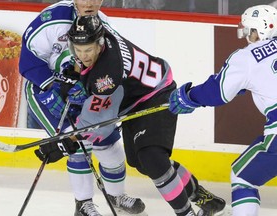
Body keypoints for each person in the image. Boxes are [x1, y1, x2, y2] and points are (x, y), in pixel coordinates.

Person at [36, 15, 226, 216]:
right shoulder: (102, 36)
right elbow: (87, 66)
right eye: (79, 50)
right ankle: (202, 197)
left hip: (155, 94)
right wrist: (79, 76)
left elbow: (99, 124)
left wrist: (66, 143)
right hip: (134, 100)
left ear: (99, 44)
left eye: (88, 50)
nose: (83, 56)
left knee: (152, 158)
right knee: (142, 163)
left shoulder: (106, 75)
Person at [18, 0, 145, 215]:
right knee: (75, 145)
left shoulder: (104, 25)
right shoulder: (53, 19)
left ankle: (116, 196)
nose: (89, 3)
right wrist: (53, 85)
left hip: (83, 95)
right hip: (45, 92)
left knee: (110, 149)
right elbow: (27, 62)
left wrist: (90, 90)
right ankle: (83, 204)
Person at [169, 4, 277, 216]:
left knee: (243, 176)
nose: (247, 36)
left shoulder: (247, 57)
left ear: (259, 30)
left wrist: (189, 97)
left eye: (249, 31)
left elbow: (218, 92)